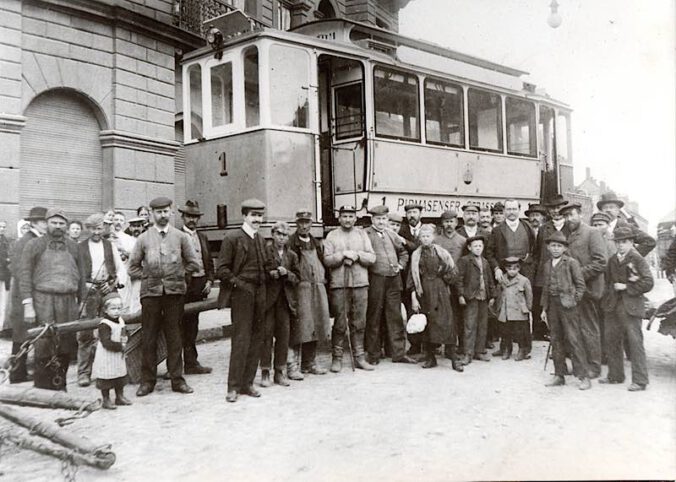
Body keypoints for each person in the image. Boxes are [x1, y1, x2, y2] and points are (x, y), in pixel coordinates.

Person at [128, 196, 198, 397]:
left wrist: (180, 274)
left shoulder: (180, 237)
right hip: (150, 295)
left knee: (175, 337)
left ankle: (177, 380)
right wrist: (149, 276)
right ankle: (147, 381)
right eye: (158, 212)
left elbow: (194, 263)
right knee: (149, 337)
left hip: (174, 294)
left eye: (166, 211)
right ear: (151, 214)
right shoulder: (143, 238)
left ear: (171, 212)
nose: (162, 215)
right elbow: (132, 267)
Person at [20, 208, 86, 391]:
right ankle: (43, 388)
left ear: (66, 225)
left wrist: (81, 301)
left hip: (68, 301)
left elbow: (81, 274)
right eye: (54, 223)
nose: (57, 226)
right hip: (43, 300)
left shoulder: (74, 246)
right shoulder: (34, 245)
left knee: (66, 342)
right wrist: (28, 305)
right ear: (47, 223)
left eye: (61, 223)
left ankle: (59, 384)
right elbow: (24, 276)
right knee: (44, 342)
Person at [217, 199, 269, 403]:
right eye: (254, 215)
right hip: (242, 294)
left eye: (260, 215)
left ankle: (248, 383)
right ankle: (233, 387)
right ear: (245, 216)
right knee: (241, 339)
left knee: (257, 338)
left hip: (260, 293)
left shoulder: (261, 239)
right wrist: (239, 284)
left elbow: (266, 264)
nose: (258, 219)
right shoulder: (232, 238)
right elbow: (221, 269)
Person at [600, 226, 654, 391]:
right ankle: (615, 375)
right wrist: (608, 298)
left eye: (624, 242)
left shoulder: (637, 259)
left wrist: (626, 287)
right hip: (613, 306)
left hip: (631, 307)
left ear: (631, 242)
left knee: (635, 343)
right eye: (618, 242)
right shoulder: (612, 260)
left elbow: (648, 282)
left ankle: (640, 380)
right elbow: (608, 282)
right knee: (612, 340)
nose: (620, 245)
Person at [324, 205, 376, 372]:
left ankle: (359, 357)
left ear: (355, 218)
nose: (347, 219)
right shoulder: (332, 235)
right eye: (344, 216)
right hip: (340, 285)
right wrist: (342, 255)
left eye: (351, 216)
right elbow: (327, 260)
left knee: (359, 322)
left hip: (360, 284)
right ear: (339, 218)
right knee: (340, 322)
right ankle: (337, 358)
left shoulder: (362, 234)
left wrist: (358, 255)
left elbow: (372, 257)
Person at [77, 212, 125, 387]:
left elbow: (120, 269)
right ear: (87, 229)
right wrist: (84, 285)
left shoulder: (110, 246)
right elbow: (76, 273)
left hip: (107, 290)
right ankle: (83, 373)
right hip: (88, 292)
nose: (96, 232)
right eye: (92, 229)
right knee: (85, 333)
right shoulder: (79, 247)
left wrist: (112, 285)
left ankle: (113, 371)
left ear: (103, 228)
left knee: (113, 329)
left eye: (99, 228)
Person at [560, 202, 607, 379]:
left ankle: (594, 367)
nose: (568, 219)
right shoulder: (566, 235)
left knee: (589, 328)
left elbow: (601, 262)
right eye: (565, 216)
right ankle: (580, 365)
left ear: (580, 214)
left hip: (588, 290)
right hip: (571, 291)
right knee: (574, 330)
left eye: (571, 214)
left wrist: (577, 276)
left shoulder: (592, 233)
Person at [541, 231, 591, 390]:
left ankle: (583, 377)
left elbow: (580, 285)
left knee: (574, 340)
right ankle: (559, 374)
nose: (555, 248)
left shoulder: (571, 263)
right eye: (553, 245)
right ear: (548, 247)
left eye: (559, 246)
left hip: (568, 306)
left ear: (564, 248)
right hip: (552, 307)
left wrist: (574, 300)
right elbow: (545, 288)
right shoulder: (547, 265)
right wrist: (544, 308)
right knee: (555, 340)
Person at [364, 206, 414, 365]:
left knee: (395, 316)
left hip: (393, 280)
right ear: (372, 220)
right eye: (378, 219)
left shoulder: (391, 234)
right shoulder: (366, 234)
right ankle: (373, 354)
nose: (381, 222)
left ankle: (398, 353)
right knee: (374, 316)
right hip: (376, 279)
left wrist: (400, 265)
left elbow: (404, 252)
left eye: (384, 219)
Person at [286, 209, 331, 379]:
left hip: (317, 288)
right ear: (296, 224)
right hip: (300, 288)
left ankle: (309, 363)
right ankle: (293, 366)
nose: (304, 226)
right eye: (301, 222)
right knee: (300, 326)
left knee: (316, 324)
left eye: (307, 222)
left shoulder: (316, 243)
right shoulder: (291, 243)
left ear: (311, 224)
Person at [489, 199, 537, 357]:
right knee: (504, 311)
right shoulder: (497, 231)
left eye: (513, 209)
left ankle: (524, 348)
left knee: (523, 312)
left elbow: (534, 249)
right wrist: (496, 268)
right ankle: (505, 347)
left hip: (523, 275)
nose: (511, 212)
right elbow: (489, 253)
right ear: (504, 211)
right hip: (505, 274)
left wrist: (529, 265)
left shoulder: (527, 227)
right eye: (508, 209)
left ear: (519, 209)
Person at [409, 224, 459, 369]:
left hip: (441, 291)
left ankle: (454, 359)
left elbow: (453, 270)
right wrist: (413, 297)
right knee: (428, 325)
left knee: (446, 323)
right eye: (422, 236)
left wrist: (444, 277)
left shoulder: (441, 252)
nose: (425, 239)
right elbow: (412, 277)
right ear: (419, 238)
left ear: (434, 237)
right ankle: (431, 358)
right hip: (423, 291)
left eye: (428, 236)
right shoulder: (416, 255)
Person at [8, 207, 47, 383]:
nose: (46, 225)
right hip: (23, 295)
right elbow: (18, 270)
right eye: (44, 222)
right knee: (22, 334)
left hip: (30, 293)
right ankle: (16, 374)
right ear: (34, 223)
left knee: (26, 333)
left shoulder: (36, 239)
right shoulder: (25, 241)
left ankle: (20, 372)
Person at [260, 221, 299, 387]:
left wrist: (287, 273)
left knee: (284, 337)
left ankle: (280, 372)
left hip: (285, 301)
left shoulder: (292, 256)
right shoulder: (265, 252)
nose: (281, 238)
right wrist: (271, 274)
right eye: (278, 234)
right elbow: (259, 274)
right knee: (266, 336)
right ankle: (265, 372)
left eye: (284, 235)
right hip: (269, 301)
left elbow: (298, 278)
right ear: (272, 234)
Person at [179, 200, 214, 375]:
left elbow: (208, 262)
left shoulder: (202, 237)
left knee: (193, 325)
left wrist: (209, 281)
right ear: (183, 217)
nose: (192, 220)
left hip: (199, 285)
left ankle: (191, 363)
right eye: (189, 216)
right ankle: (176, 366)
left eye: (195, 217)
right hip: (183, 285)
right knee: (178, 325)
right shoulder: (176, 236)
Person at [534, 195, 570, 340]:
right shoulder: (544, 229)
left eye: (558, 208)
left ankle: (564, 337)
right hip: (546, 272)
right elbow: (537, 251)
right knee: (545, 304)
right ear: (548, 211)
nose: (555, 211)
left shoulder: (570, 227)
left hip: (563, 272)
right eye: (552, 208)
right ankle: (544, 333)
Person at [455, 235, 495, 366]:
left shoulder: (485, 262)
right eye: (475, 246)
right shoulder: (464, 261)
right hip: (471, 297)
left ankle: (479, 351)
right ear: (469, 248)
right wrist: (461, 295)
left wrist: (492, 295)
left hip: (483, 297)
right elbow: (459, 279)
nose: (478, 248)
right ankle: (468, 353)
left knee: (482, 325)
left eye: (480, 246)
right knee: (469, 325)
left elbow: (489, 280)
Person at [91, 293, 132, 409]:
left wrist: (126, 337)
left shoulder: (121, 321)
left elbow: (124, 332)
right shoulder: (104, 324)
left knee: (120, 375)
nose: (116, 311)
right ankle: (106, 399)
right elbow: (106, 342)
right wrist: (120, 346)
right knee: (107, 377)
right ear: (105, 310)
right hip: (107, 355)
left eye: (119, 308)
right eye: (113, 309)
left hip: (118, 355)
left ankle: (120, 396)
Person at [435, 208, 466, 360]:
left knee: (455, 316)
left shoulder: (462, 241)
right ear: (442, 223)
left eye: (451, 222)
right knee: (441, 315)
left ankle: (452, 348)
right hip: (440, 283)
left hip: (456, 283)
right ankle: (436, 346)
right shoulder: (436, 241)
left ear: (456, 223)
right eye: (446, 222)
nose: (449, 225)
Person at [493, 257, 533, 360]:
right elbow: (499, 294)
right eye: (509, 268)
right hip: (506, 311)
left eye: (515, 268)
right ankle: (506, 349)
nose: (512, 271)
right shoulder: (502, 279)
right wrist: (498, 308)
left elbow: (529, 296)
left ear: (519, 269)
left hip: (519, 311)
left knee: (520, 332)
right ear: (505, 269)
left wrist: (528, 309)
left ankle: (522, 350)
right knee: (505, 331)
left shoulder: (524, 280)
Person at [398, 203, 424, 358]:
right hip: (406, 278)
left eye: (414, 212)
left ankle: (429, 345)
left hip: (425, 276)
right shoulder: (401, 230)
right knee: (410, 311)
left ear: (420, 213)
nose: (412, 216)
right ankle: (414, 345)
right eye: (409, 213)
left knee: (426, 310)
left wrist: (405, 242)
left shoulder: (429, 230)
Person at [597, 192, 656, 257]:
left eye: (611, 207)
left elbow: (650, 242)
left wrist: (631, 258)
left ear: (618, 210)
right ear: (601, 211)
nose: (608, 210)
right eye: (605, 208)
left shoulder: (627, 227)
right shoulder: (596, 227)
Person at [525, 203, 548, 341]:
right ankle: (533, 331)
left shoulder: (545, 230)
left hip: (542, 270)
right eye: (532, 216)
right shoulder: (527, 230)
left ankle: (543, 331)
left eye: (537, 215)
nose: (534, 218)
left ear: (543, 217)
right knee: (532, 302)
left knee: (542, 302)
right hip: (530, 270)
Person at [0, 220, 11, 333]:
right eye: (0, 227)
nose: (2, 229)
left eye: (4, 227)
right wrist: (6, 260)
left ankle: (1, 327)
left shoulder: (5, 240)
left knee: (3, 302)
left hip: (3, 275)